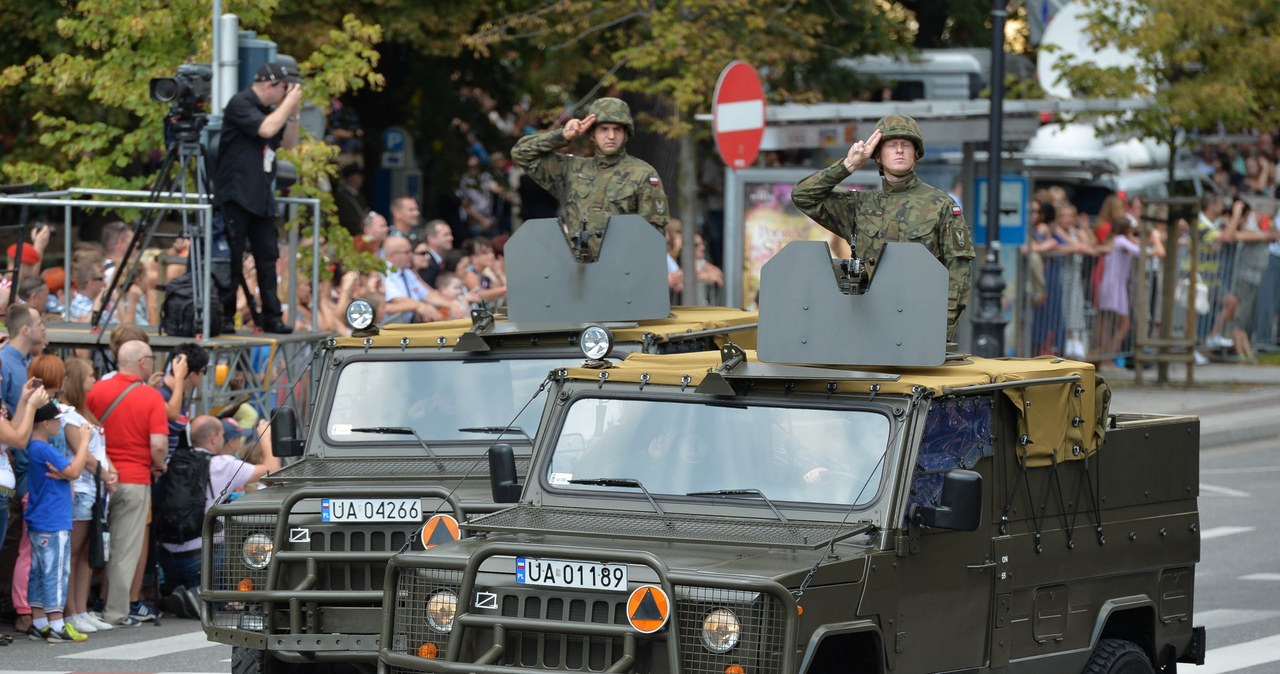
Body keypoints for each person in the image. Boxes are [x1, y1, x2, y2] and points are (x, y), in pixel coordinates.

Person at [791, 114, 975, 340]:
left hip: (920, 325)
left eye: (906, 144)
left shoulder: (940, 205)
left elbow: (958, 274)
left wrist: (941, 332)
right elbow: (803, 196)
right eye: (891, 145)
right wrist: (848, 165)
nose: (899, 150)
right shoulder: (860, 205)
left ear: (916, 153)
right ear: (877, 155)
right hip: (865, 325)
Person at [511, 97, 669, 257]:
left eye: (617, 129)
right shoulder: (571, 169)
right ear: (592, 134)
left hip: (624, 270)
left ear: (626, 134)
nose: (611, 136)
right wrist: (564, 136)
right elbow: (521, 153)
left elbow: (653, 235)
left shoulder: (643, 174)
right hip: (577, 271)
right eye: (604, 129)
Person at [213, 60, 303, 335]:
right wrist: (287, 104)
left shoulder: (269, 112)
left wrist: (293, 114)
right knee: (232, 257)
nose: (287, 94)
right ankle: (226, 315)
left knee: (267, 258)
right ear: (269, 85)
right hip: (236, 196)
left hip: (261, 197)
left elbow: (287, 144)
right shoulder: (239, 104)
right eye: (285, 88)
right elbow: (264, 129)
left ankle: (272, 316)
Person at [85, 340, 168, 627]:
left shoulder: (95, 391)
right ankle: (116, 611)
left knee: (88, 544)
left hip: (97, 476)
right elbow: (158, 445)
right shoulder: (151, 396)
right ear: (143, 362)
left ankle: (83, 608)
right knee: (124, 549)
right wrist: (158, 464)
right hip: (133, 478)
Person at [156, 415, 277, 606]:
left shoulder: (172, 460)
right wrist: (265, 438)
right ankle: (201, 600)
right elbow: (272, 469)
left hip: (166, 558)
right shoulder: (224, 465)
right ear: (214, 438)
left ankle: (183, 595)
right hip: (202, 561)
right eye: (221, 435)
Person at [23, 401, 91, 643]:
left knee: (40, 572)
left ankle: (40, 621)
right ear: (45, 422)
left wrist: (67, 472)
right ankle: (57, 623)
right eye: (57, 420)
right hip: (54, 519)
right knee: (57, 571)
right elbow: (73, 471)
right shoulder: (45, 448)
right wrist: (83, 442)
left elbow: (68, 472)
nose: (60, 424)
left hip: (42, 517)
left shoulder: (35, 447)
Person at [59, 358, 115, 635]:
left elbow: (99, 453)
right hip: (81, 489)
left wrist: (109, 474)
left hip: (93, 491)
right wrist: (106, 474)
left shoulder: (83, 413)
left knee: (86, 555)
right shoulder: (67, 414)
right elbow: (84, 454)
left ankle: (81, 609)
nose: (94, 380)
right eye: (91, 376)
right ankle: (70, 611)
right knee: (74, 554)